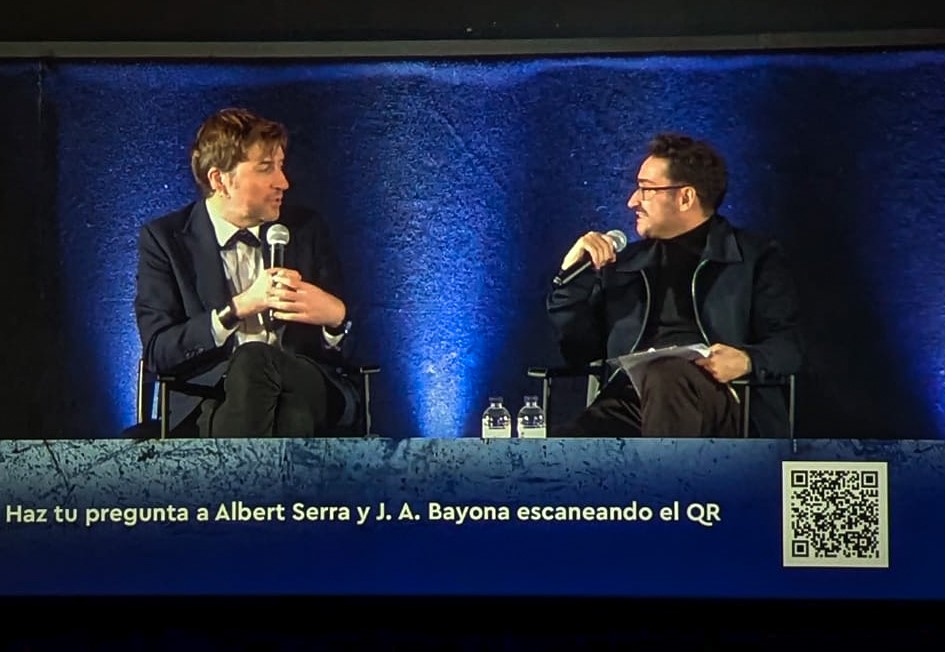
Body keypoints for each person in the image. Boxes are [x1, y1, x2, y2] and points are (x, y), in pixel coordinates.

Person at [546, 132, 802, 438]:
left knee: (664, 374)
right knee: (552, 457)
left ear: (685, 198)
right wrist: (573, 278)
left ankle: (666, 471)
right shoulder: (623, 265)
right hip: (632, 401)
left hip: (722, 401)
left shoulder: (753, 257)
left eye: (646, 189)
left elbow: (790, 346)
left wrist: (747, 360)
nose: (632, 201)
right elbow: (580, 351)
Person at [134, 107, 358, 437]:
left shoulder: (306, 229)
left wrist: (335, 319)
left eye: (280, 166)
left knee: (263, 366)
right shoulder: (165, 240)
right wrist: (236, 309)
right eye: (266, 168)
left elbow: (355, 350)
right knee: (287, 414)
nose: (283, 182)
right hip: (212, 399)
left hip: (305, 384)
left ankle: (237, 473)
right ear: (220, 180)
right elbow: (159, 351)